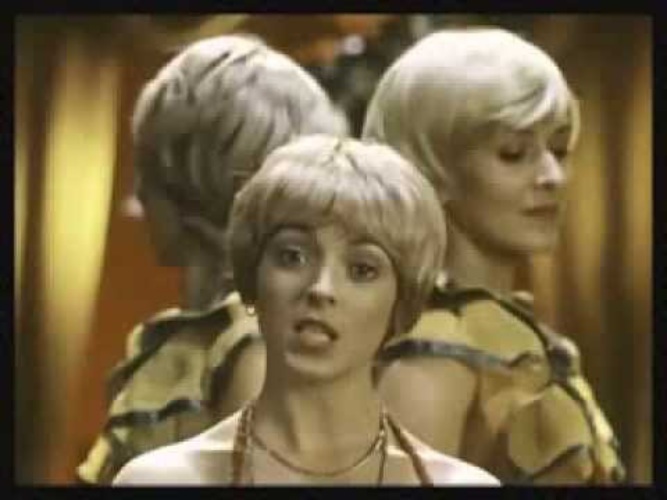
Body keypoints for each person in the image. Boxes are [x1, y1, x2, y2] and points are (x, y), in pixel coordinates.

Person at [112, 135, 500, 486]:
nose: (321, 289)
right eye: (292, 256)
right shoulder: (161, 480)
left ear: (402, 302)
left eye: (362, 269)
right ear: (253, 278)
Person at [76, 35, 348, 484]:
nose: (138, 190)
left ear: (189, 178)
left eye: (148, 166)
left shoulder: (258, 348)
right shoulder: (192, 339)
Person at [362, 27, 626, 484]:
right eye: (513, 153)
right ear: (431, 169)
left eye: (560, 149)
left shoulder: (510, 334)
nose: (552, 176)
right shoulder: (433, 354)